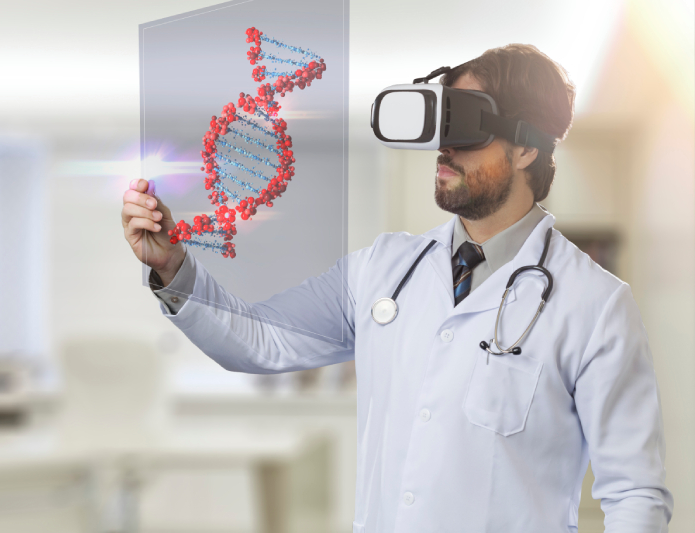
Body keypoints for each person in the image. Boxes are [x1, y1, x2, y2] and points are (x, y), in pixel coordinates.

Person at [121, 44, 673, 532]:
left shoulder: (595, 305)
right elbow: (261, 340)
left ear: (528, 148)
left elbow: (635, 495)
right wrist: (173, 269)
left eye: (466, 125)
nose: (443, 147)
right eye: (441, 123)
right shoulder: (383, 269)